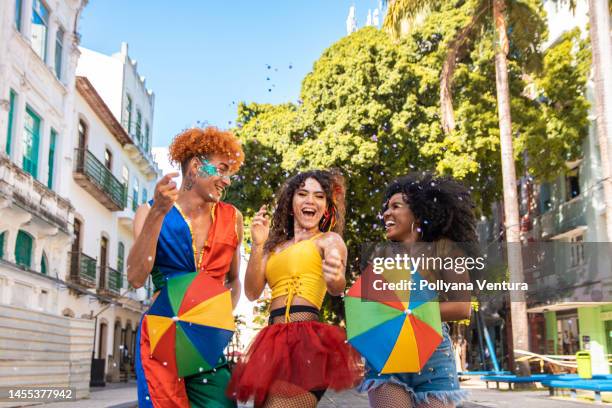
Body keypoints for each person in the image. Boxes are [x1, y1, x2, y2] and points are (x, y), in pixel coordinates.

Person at [128, 127, 245, 408]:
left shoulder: (233, 218)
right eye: (221, 169)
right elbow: (135, 276)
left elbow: (233, 281)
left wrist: (215, 324)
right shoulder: (149, 210)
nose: (226, 180)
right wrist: (158, 213)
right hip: (162, 335)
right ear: (195, 167)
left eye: (229, 172)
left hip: (207, 342)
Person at [227, 170, 363, 407]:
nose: (311, 201)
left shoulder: (328, 240)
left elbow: (336, 285)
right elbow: (251, 292)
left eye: (319, 196)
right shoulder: (273, 248)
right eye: (303, 194)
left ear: (326, 206)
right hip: (271, 344)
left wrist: (336, 275)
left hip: (306, 343)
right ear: (291, 203)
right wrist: (258, 244)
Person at [358, 172, 476, 408]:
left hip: (434, 356)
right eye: (386, 208)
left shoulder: (445, 250)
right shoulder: (380, 258)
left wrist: (412, 310)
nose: (386, 214)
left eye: (395, 206)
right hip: (386, 355)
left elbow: (463, 308)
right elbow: (369, 310)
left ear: (418, 213)